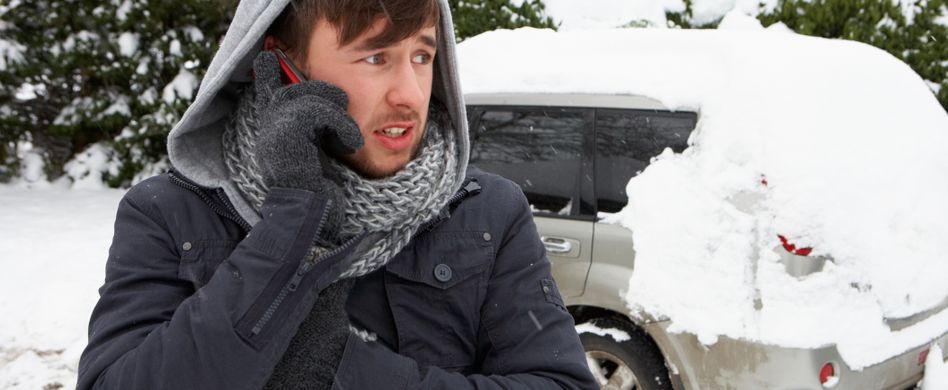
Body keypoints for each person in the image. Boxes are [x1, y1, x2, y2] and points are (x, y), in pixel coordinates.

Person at [77, 0, 598, 389]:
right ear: (282, 67)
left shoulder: (487, 212)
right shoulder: (170, 213)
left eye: (421, 55)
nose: (411, 94)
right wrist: (290, 225)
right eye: (374, 57)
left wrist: (342, 372)